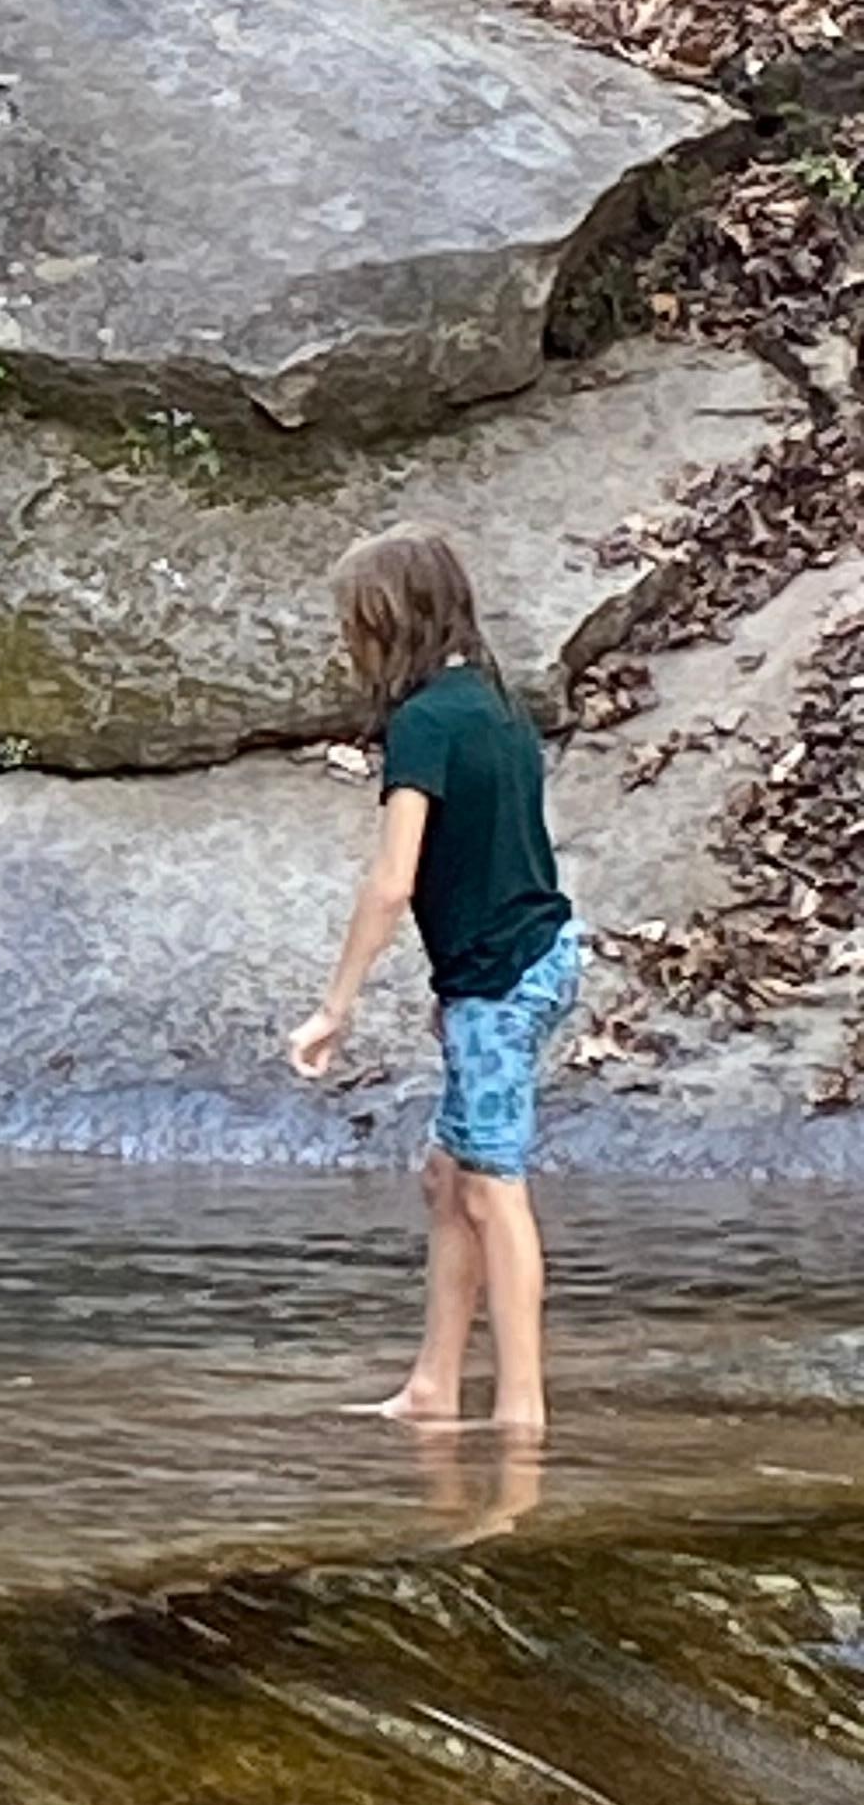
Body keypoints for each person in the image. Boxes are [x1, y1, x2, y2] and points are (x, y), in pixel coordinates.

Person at [288, 527, 578, 1441]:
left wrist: (334, 1007)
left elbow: (393, 880)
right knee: (448, 1174)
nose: (351, 646)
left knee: (493, 1189)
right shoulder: (496, 703)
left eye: (356, 627)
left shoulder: (422, 724)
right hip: (533, 957)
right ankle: (432, 1386)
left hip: (500, 980)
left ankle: (522, 1414)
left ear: (389, 623)